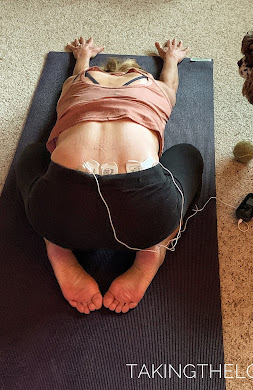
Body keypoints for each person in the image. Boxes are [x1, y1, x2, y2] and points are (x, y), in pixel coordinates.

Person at [16, 37, 204, 314]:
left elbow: (78, 72)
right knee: (188, 154)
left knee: (32, 153)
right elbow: (170, 83)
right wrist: (172, 59)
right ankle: (152, 252)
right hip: (150, 217)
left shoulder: (79, 82)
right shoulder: (151, 85)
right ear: (135, 73)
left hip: (57, 215)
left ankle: (58, 249)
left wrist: (83, 55)